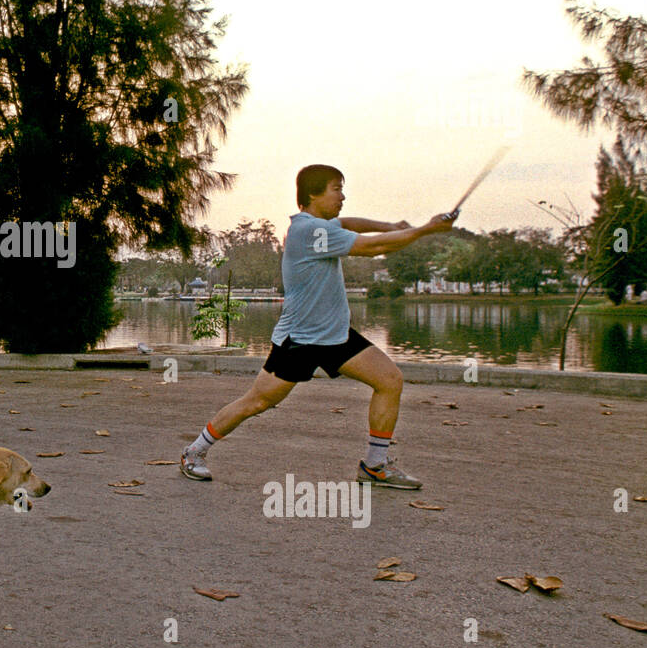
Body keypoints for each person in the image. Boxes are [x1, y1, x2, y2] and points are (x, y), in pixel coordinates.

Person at [179, 164, 456, 488]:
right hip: (300, 340)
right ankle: (193, 452)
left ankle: (375, 465)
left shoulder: (318, 225)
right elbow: (374, 247)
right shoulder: (310, 232)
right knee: (258, 401)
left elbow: (349, 222)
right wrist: (425, 229)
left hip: (335, 336)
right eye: (336, 188)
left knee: (389, 380)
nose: (343, 195)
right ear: (312, 194)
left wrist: (392, 224)